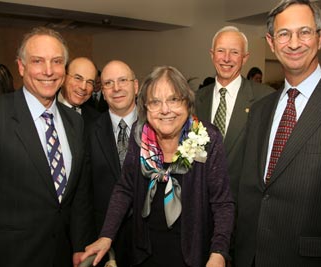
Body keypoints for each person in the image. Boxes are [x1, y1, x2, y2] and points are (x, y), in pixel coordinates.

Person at [235, 1, 321, 266]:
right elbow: (249, 192)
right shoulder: (259, 111)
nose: (294, 43)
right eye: (284, 34)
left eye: (304, 32)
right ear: (271, 42)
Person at [80, 66, 234, 267]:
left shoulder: (207, 138)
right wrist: (106, 235)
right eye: (155, 102)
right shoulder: (140, 135)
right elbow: (125, 189)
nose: (165, 110)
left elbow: (222, 203)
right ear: (144, 107)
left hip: (192, 255)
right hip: (146, 253)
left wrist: (219, 252)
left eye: (173, 99)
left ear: (187, 103)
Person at [0, 27, 94, 267]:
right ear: (21, 67)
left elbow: (79, 198)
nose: (48, 71)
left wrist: (80, 247)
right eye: (38, 61)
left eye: (56, 62)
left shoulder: (74, 121)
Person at [195, 26, 274, 231]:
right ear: (212, 55)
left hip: (245, 214)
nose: (227, 58)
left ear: (245, 58)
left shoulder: (265, 98)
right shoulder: (197, 99)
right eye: (221, 51)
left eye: (235, 52)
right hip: (201, 210)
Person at [85, 60, 139, 267]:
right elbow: (84, 192)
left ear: (136, 86)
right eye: (108, 83)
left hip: (150, 237)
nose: (116, 88)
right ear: (102, 91)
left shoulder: (158, 126)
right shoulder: (88, 131)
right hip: (104, 237)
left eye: (122, 80)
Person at [58, 57, 100, 138]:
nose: (83, 87)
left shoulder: (97, 120)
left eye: (89, 82)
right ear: (63, 78)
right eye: (78, 78)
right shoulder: (45, 110)